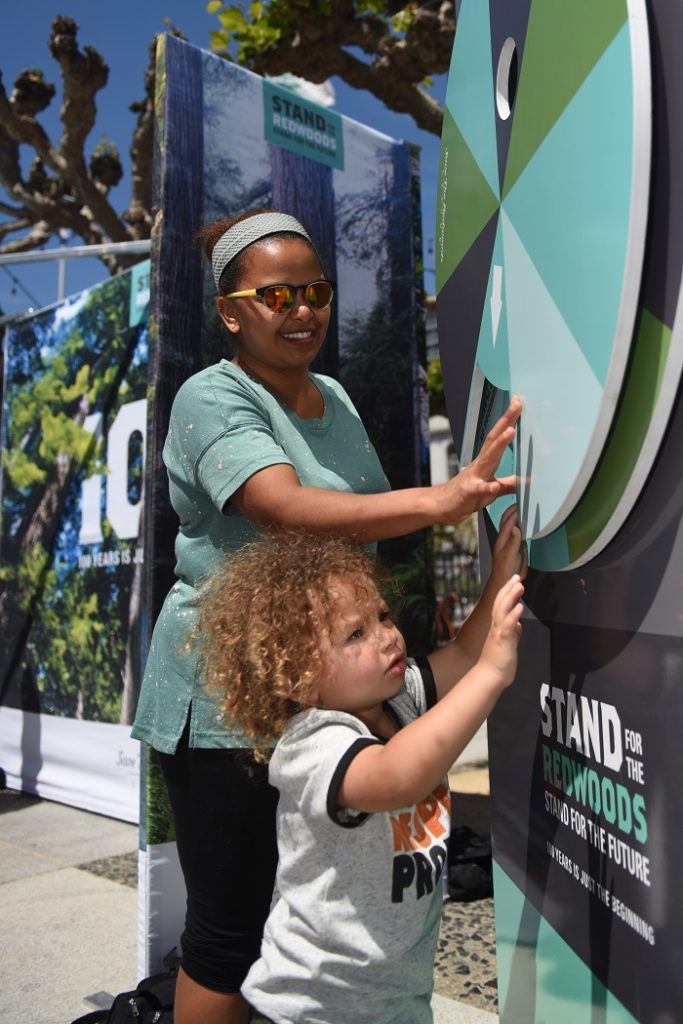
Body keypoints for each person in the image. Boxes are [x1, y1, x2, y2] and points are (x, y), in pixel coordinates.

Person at [131, 207, 522, 1024]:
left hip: (319, 691)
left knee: (302, 919)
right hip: (223, 698)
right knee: (228, 931)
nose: (303, 309)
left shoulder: (332, 396)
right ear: (231, 313)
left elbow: (356, 535)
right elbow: (281, 506)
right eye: (277, 296)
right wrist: (443, 501)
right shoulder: (213, 395)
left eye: (315, 290)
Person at [197, 510, 526, 1024]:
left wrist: (501, 574)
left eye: (384, 617)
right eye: (355, 635)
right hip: (314, 1008)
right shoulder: (313, 746)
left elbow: (464, 650)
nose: (387, 636)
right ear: (300, 677)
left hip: (394, 999)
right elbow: (397, 777)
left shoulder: (398, 699)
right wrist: (491, 674)